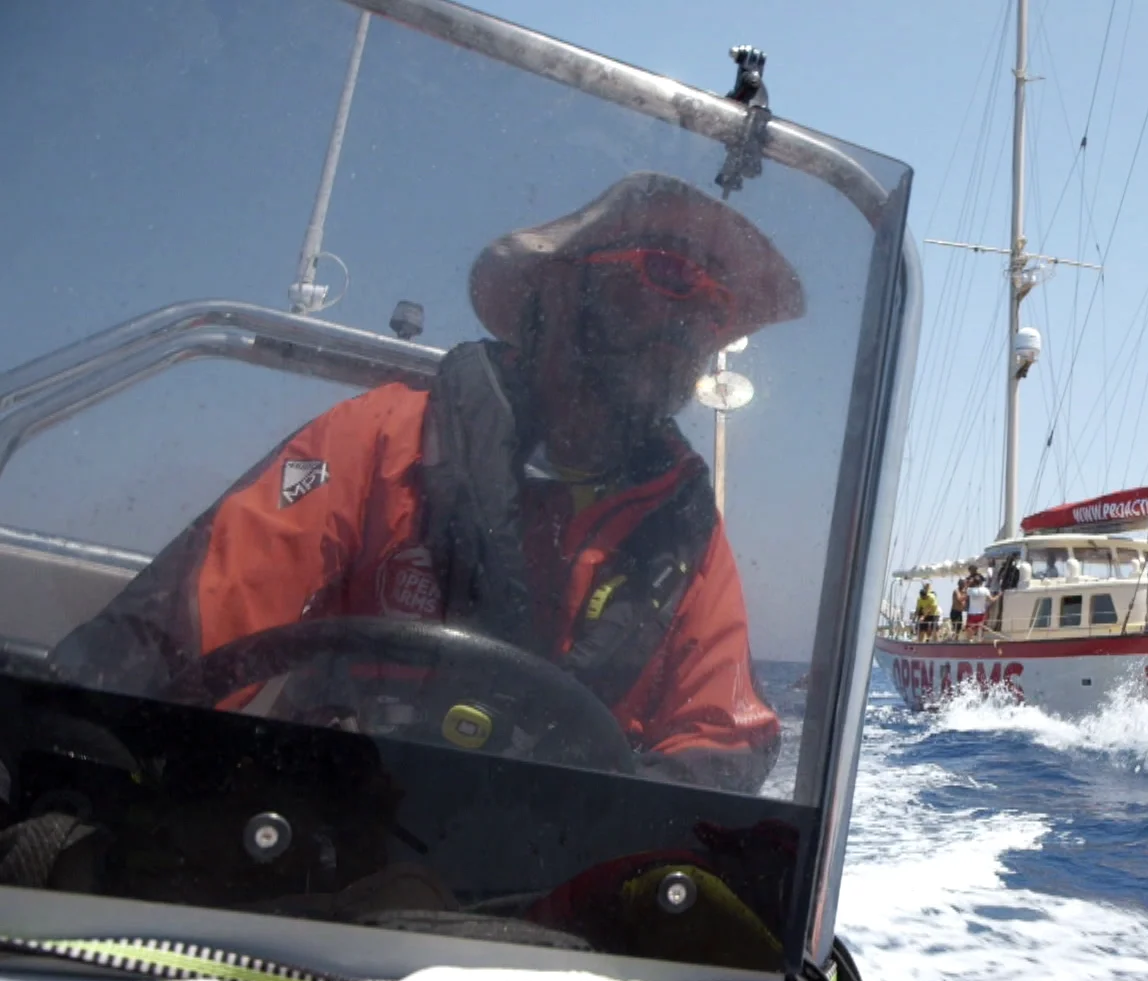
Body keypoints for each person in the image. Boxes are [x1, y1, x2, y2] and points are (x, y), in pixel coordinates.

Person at [49, 172, 804, 794]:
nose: (688, 324)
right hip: (319, 839)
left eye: (713, 310)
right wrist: (73, 753)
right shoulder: (379, 439)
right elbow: (202, 615)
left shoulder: (686, 535)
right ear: (559, 289)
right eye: (664, 273)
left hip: (544, 900)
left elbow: (721, 735)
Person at [965, 574, 992, 639]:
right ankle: (980, 641)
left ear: (974, 582)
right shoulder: (985, 590)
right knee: (980, 629)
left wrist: (969, 583)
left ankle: (970, 642)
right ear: (982, 582)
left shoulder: (969, 590)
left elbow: (965, 594)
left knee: (969, 629)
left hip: (971, 614)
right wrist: (999, 595)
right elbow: (992, 599)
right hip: (981, 614)